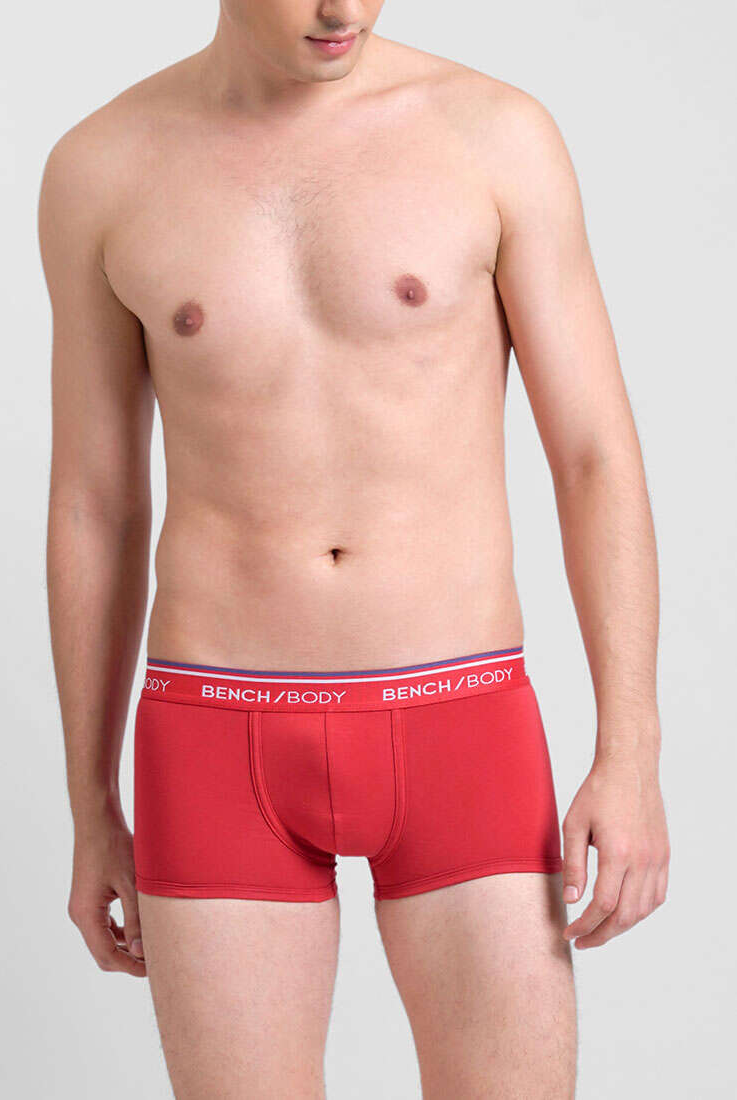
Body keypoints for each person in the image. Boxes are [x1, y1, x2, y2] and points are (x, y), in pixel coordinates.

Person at [39, 2, 670, 1096]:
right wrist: (89, 801)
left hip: (459, 717)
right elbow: (96, 502)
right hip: (215, 732)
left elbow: (594, 456)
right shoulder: (103, 168)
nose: (346, 10)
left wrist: (634, 751)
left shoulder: (493, 135)